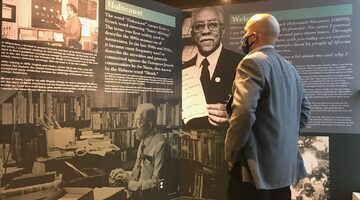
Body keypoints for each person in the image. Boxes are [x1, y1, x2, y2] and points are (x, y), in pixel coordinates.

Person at [225, 14, 311, 200]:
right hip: (283, 172)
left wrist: (231, 153)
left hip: (253, 172)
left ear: (253, 37)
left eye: (245, 33)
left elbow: (244, 112)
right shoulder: (291, 69)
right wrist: (282, 140)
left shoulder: (251, 62)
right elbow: (304, 113)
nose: (244, 38)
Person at [182, 6, 244, 129]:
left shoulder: (242, 63)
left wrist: (233, 115)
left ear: (223, 31)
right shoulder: (184, 68)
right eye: (199, 26)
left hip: (228, 144)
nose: (206, 31)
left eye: (213, 25)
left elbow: (259, 108)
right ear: (193, 33)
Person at [109, 103, 170, 199]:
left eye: (137, 123)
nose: (133, 128)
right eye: (133, 123)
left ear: (149, 125)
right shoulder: (143, 142)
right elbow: (139, 174)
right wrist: (123, 174)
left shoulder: (161, 145)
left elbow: (159, 183)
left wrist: (130, 184)